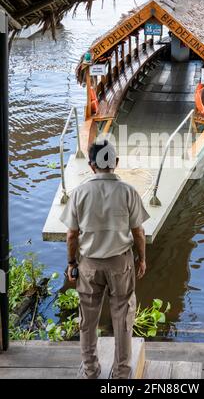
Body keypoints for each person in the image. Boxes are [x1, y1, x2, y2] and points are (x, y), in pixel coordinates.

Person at [60, 139, 149, 379]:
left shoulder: (79, 193)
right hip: (121, 263)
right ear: (116, 163)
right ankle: (121, 374)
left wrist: (71, 263)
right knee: (122, 318)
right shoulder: (128, 191)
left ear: (91, 165)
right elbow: (138, 232)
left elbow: (71, 235)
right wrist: (141, 259)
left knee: (88, 320)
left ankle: (90, 370)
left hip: (89, 264)